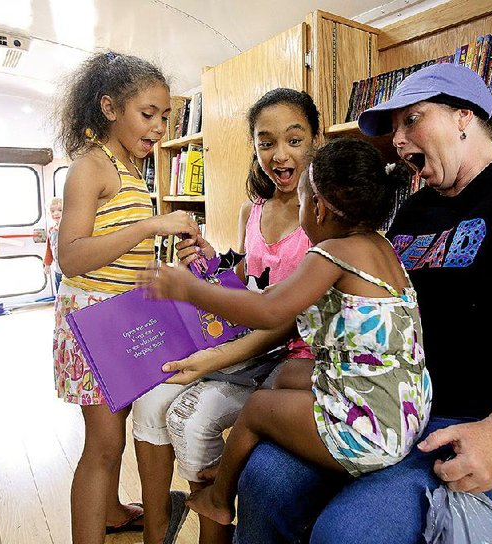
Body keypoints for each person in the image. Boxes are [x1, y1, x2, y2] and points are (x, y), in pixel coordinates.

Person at [232, 63, 492, 543]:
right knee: (264, 479)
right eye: (395, 128)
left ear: (465, 116)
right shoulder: (415, 210)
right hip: (397, 410)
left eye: (412, 120)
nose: (398, 141)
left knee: (353, 532)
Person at [146, 137, 432, 527]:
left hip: (372, 430)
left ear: (319, 207)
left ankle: (218, 498)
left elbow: (268, 310)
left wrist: (189, 289)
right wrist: (215, 271)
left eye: (300, 203)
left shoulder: (331, 253)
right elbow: (273, 293)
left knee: (258, 408)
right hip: (405, 404)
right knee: (286, 374)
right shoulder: (377, 247)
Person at [52, 51, 200, 544]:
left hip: (119, 317)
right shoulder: (91, 167)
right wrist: (150, 223)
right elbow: (71, 257)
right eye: (148, 114)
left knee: (112, 432)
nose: (159, 126)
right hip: (92, 323)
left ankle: (113, 511)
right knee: (103, 444)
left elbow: (120, 253)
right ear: (110, 107)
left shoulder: (132, 169)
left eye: (166, 117)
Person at [164, 88, 318, 544]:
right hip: (253, 347)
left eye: (294, 139)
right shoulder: (250, 212)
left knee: (195, 415)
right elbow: (247, 279)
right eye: (265, 142)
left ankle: (217, 519)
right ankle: (205, 525)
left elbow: (288, 316)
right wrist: (211, 264)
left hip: (287, 354)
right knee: (170, 410)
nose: (279, 154)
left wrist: (215, 359)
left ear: (315, 139)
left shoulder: (326, 217)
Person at [43, 196, 63, 292]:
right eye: (52, 211)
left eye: (60, 210)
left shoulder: (69, 229)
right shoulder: (51, 230)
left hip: (69, 271)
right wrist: (47, 264)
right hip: (58, 270)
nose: (56, 213)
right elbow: (49, 249)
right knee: (59, 293)